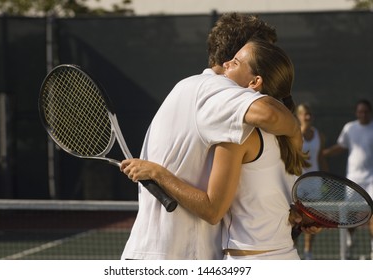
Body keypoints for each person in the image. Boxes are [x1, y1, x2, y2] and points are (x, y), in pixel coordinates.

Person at [120, 13, 305, 260]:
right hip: (177, 256)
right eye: (263, 49)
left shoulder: (190, 90)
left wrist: (156, 172)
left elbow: (222, 208)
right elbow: (269, 113)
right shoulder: (219, 90)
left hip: (159, 252)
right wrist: (294, 131)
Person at [323, 99, 373, 260]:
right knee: (351, 215)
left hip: (371, 179)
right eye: (360, 111)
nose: (363, 114)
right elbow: (341, 146)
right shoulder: (350, 128)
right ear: (356, 113)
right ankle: (350, 241)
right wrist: (325, 153)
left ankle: (372, 248)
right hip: (353, 180)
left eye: (365, 111)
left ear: (370, 112)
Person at [294, 103, 328, 260]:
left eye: (309, 114)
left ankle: (308, 252)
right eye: (304, 114)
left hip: (315, 184)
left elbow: (321, 158)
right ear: (298, 116)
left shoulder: (318, 135)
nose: (307, 117)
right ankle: (292, 249)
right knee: (295, 219)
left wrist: (327, 180)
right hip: (297, 183)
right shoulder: (294, 135)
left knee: (313, 219)